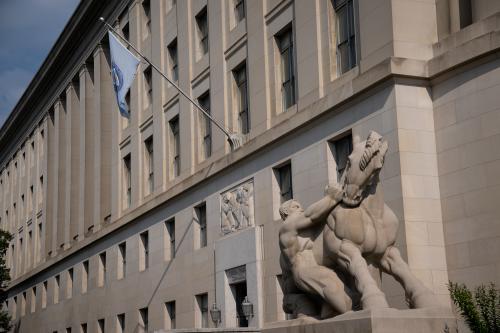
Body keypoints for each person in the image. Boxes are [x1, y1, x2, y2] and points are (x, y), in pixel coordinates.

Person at [279, 184, 351, 317]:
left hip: (315, 269)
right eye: (295, 207)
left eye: (300, 206)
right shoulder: (287, 227)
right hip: (304, 271)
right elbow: (311, 216)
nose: (300, 208)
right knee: (334, 287)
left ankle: (329, 312)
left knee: (344, 285)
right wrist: (333, 197)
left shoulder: (301, 231)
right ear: (286, 213)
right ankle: (351, 316)